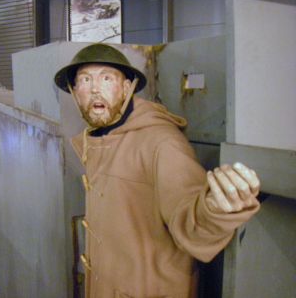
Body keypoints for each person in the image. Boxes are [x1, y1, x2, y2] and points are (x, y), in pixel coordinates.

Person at [54, 43, 260, 298]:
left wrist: (216, 210)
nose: (95, 88)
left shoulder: (163, 143)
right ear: (75, 93)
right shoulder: (102, 139)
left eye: (106, 78)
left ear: (127, 87)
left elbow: (189, 218)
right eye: (85, 80)